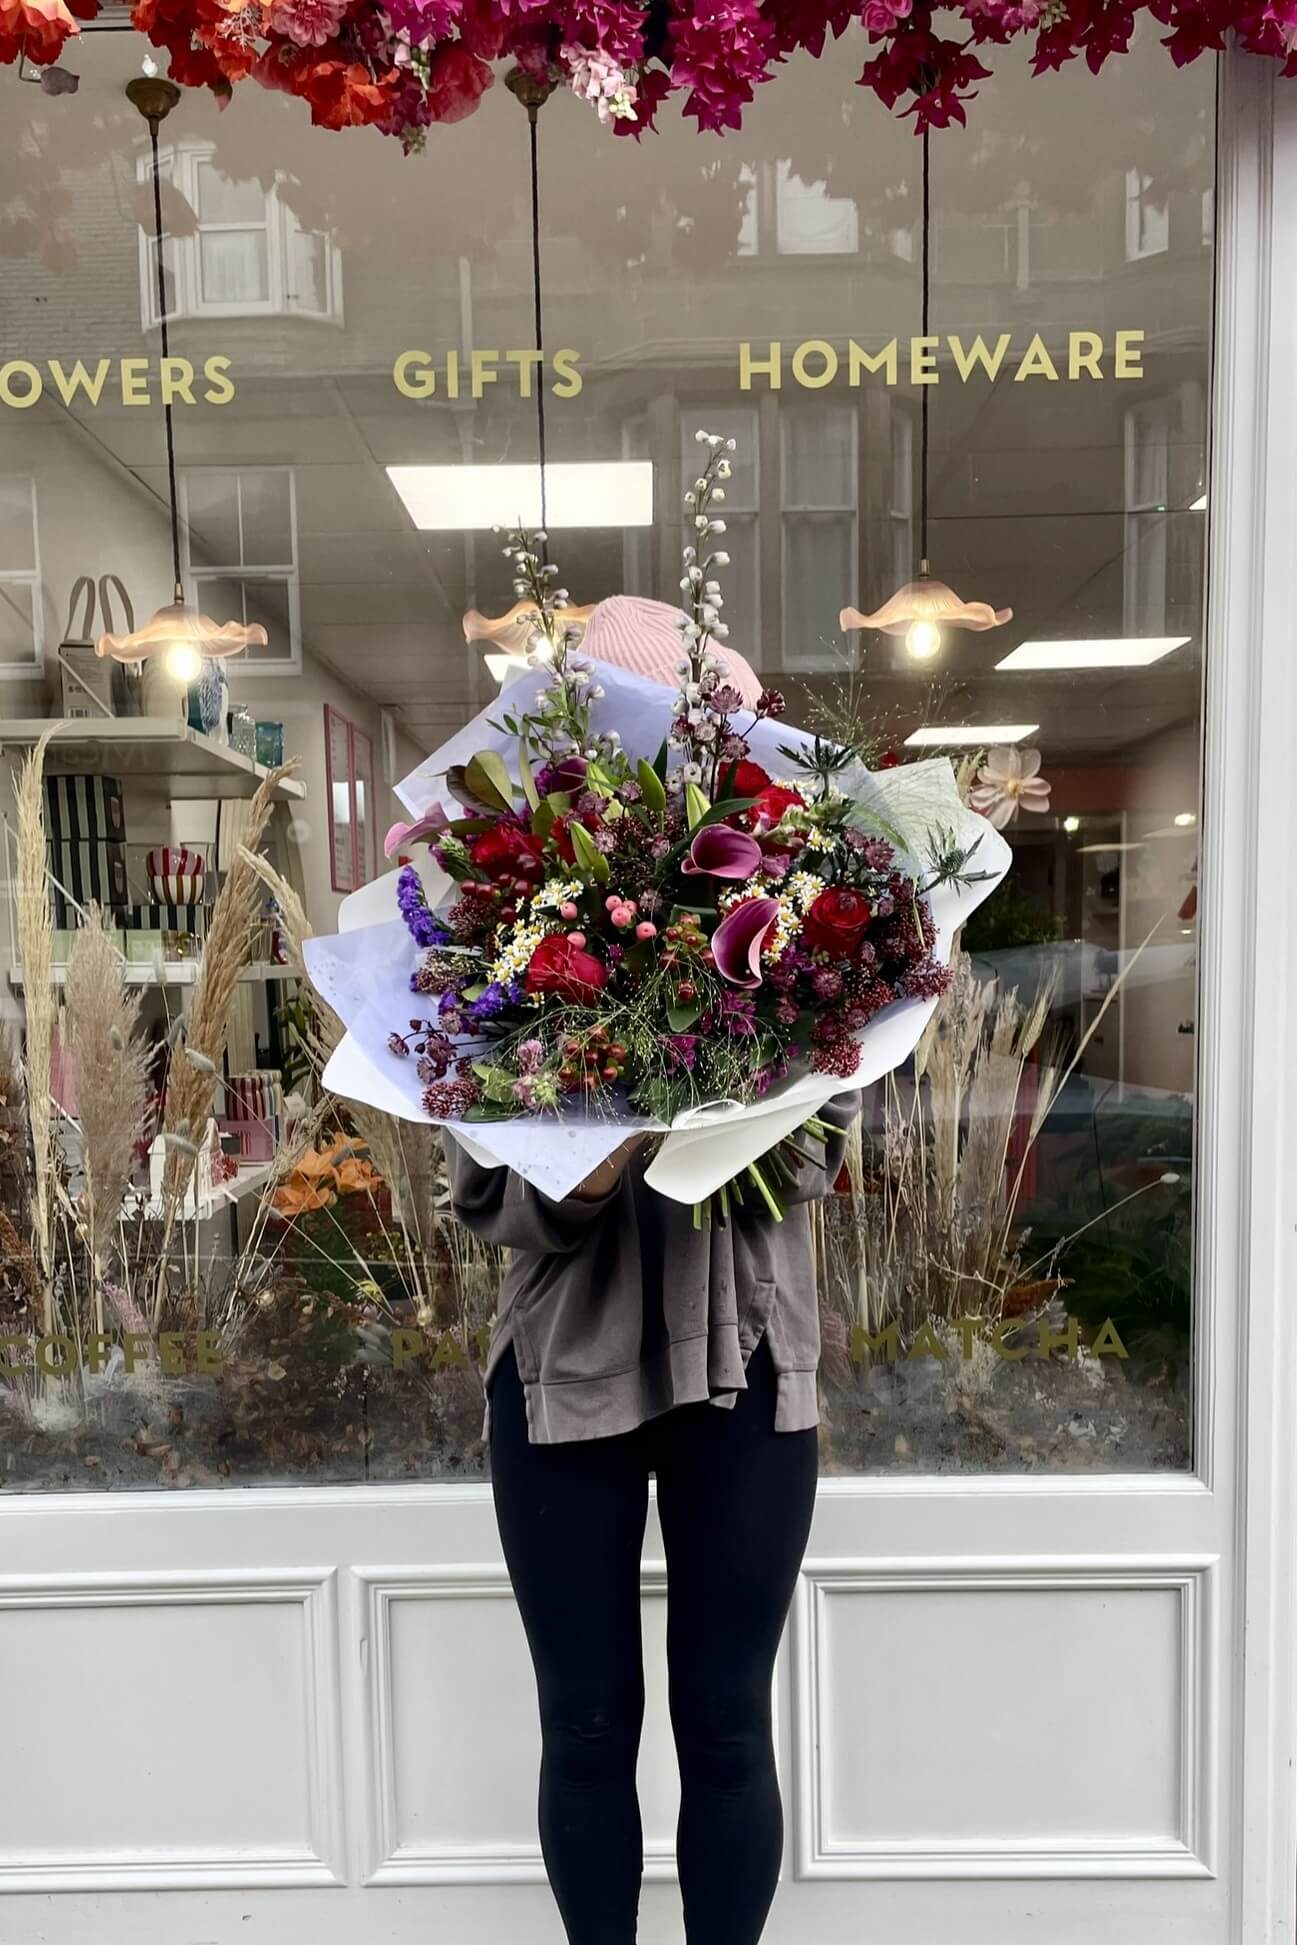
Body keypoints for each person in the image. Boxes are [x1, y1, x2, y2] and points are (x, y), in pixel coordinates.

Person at [445, 1090, 861, 1945]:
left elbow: (811, 1151)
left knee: (725, 1718)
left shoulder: (804, 983)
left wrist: (711, 1083)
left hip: (746, 1337)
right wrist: (613, 1131)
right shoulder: (471, 997)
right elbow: (487, 1194)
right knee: (584, 1721)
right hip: (560, 1348)